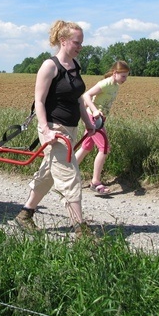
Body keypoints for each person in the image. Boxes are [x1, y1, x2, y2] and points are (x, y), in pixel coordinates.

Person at [14, 20, 96, 237]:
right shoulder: (49, 66)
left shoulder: (75, 66)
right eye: (77, 42)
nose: (80, 47)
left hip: (71, 128)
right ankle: (81, 230)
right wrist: (46, 130)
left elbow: (78, 98)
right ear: (63, 41)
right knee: (69, 175)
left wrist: (88, 123)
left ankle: (25, 214)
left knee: (50, 172)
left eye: (81, 43)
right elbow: (39, 102)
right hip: (53, 129)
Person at [75, 60, 130, 194]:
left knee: (86, 147)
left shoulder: (115, 85)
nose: (125, 79)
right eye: (123, 76)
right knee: (104, 148)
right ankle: (95, 182)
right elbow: (86, 95)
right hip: (94, 119)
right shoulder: (105, 83)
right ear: (115, 73)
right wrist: (94, 111)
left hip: (99, 119)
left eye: (127, 76)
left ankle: (65, 174)